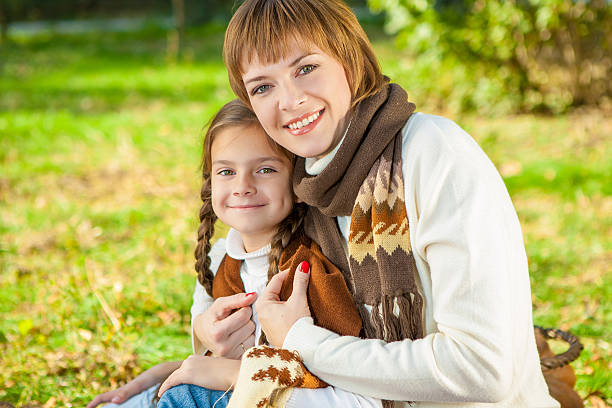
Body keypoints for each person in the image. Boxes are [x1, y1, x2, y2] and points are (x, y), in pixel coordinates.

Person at [161, 0, 561, 407]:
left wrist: (302, 342)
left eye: (306, 68)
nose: (290, 99)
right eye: (263, 86)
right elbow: (237, 259)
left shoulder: (433, 154)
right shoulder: (305, 180)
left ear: (349, 61)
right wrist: (206, 330)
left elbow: (482, 370)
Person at [88, 99, 381, 408]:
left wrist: (237, 372)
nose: (243, 186)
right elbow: (205, 363)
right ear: (210, 182)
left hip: (279, 398)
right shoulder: (218, 259)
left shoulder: (312, 269)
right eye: (227, 171)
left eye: (265, 169)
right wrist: (178, 352)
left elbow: (343, 382)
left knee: (183, 397)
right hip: (226, 391)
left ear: (297, 182)